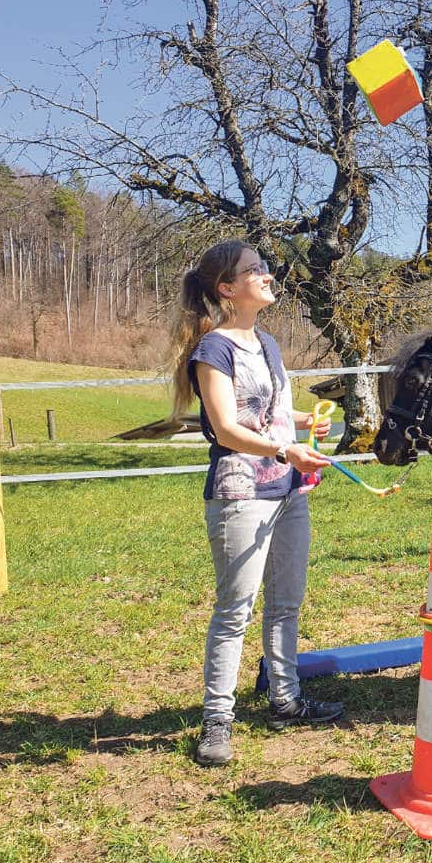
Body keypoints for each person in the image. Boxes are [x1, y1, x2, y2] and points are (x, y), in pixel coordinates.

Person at [168, 239, 342, 768]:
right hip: (241, 492)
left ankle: (285, 699)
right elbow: (225, 427)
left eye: (264, 268)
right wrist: (286, 448)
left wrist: (307, 427)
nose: (267, 275)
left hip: (287, 490)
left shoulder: (267, 343)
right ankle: (217, 720)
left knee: (285, 604)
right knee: (234, 613)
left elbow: (269, 414)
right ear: (227, 289)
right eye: (254, 270)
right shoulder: (213, 350)